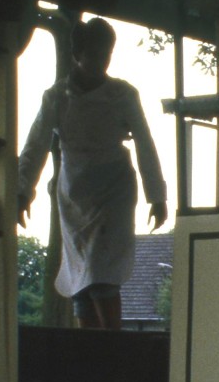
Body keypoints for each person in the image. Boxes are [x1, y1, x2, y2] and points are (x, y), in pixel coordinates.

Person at [18, 17, 167, 330]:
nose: (102, 61)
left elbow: (145, 142)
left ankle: (113, 344)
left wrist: (157, 195)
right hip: (74, 194)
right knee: (81, 278)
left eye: (106, 54)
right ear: (78, 54)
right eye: (95, 54)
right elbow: (35, 145)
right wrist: (22, 191)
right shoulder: (56, 97)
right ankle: (89, 347)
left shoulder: (123, 94)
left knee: (102, 271)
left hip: (114, 189)